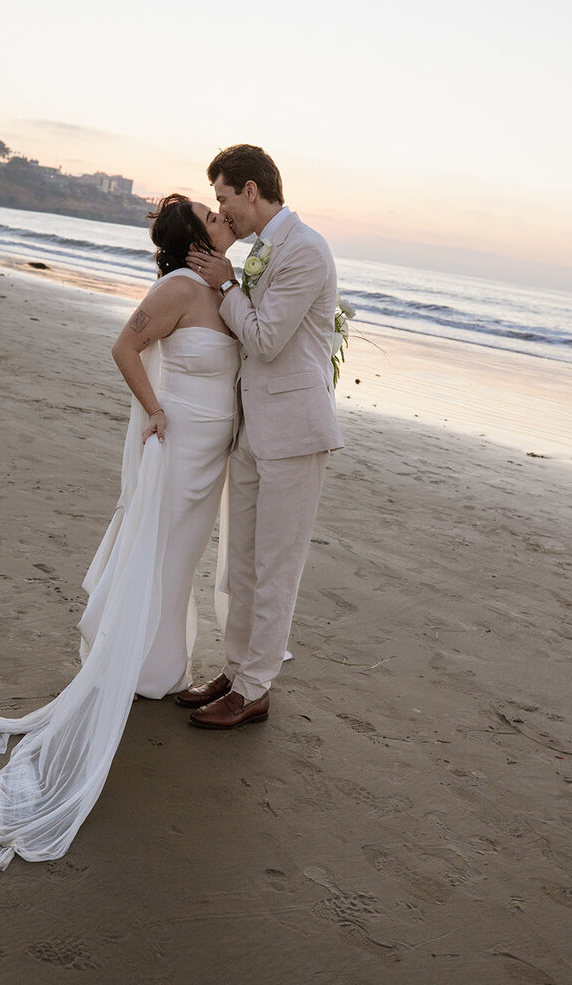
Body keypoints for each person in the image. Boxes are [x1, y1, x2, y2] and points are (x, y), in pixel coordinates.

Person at [0, 195, 239, 870]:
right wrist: (156, 411)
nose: (221, 217)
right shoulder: (180, 287)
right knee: (157, 557)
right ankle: (124, 657)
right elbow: (124, 345)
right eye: (209, 213)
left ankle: (155, 667)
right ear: (195, 237)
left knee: (179, 561)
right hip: (182, 445)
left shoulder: (220, 287)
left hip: (209, 459)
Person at [183, 144, 343, 729]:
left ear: (251, 191)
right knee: (242, 565)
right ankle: (235, 670)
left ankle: (255, 690)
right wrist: (232, 268)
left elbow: (267, 338)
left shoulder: (305, 250)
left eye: (225, 198)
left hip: (294, 434)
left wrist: (226, 285)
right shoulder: (264, 249)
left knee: (276, 565)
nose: (222, 210)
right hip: (255, 428)